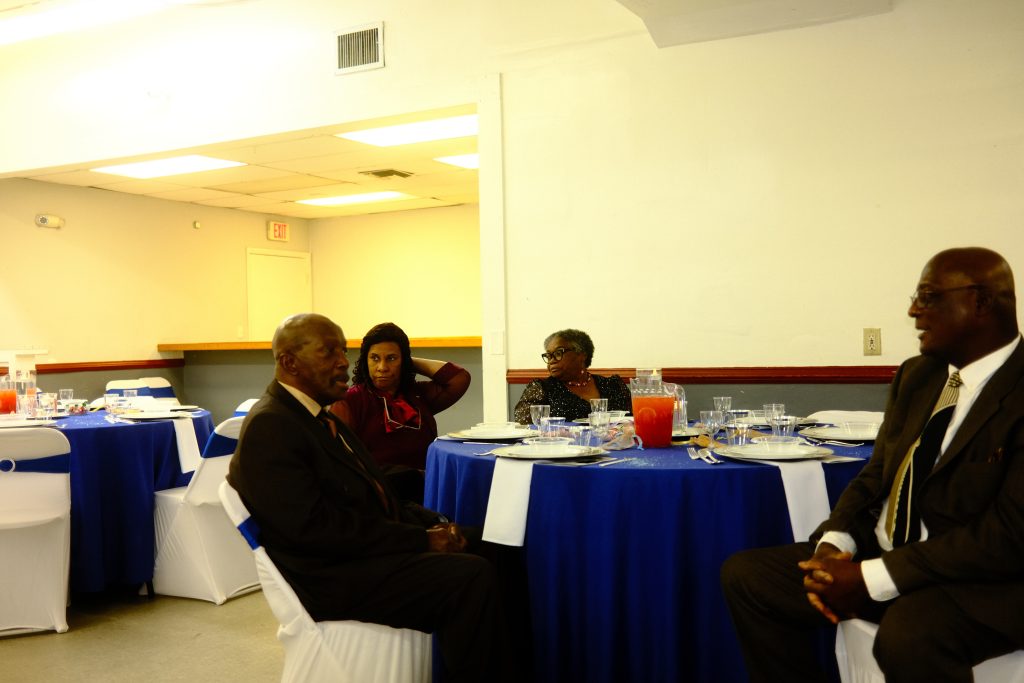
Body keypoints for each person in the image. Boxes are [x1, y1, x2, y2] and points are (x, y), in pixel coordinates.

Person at [720, 247, 1024, 683]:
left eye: (928, 297)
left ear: (980, 302)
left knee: (909, 635)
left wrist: (873, 577)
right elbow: (877, 475)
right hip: (885, 558)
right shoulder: (919, 375)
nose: (913, 311)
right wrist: (834, 544)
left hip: (985, 581)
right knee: (749, 578)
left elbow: (1008, 535)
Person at [226, 313, 512, 683]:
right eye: (328, 352)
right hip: (331, 577)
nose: (343, 362)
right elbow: (315, 531)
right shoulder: (273, 425)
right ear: (289, 363)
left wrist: (434, 523)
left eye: (342, 351)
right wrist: (420, 540)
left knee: (497, 546)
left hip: (358, 552)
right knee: (471, 576)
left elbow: (369, 493)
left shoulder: (317, 415)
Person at [330, 322, 469, 502]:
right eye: (374, 358)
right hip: (379, 498)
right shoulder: (349, 400)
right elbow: (342, 463)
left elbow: (459, 378)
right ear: (365, 361)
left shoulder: (418, 394)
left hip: (426, 493)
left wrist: (409, 361)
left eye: (391, 358)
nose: (382, 367)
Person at [512, 328, 631, 423]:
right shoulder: (542, 388)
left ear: (581, 355)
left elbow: (631, 422)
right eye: (548, 356)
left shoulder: (613, 386)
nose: (551, 360)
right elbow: (525, 425)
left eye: (558, 353)